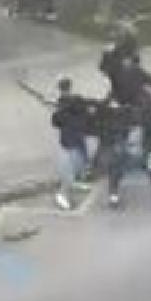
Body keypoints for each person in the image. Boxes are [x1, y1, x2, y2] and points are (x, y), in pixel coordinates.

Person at [51, 78, 92, 210]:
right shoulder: (73, 102)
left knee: (78, 165)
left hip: (72, 139)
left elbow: (56, 122)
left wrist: (59, 111)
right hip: (73, 140)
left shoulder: (66, 105)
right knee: (73, 168)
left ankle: (73, 184)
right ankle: (62, 194)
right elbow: (57, 121)